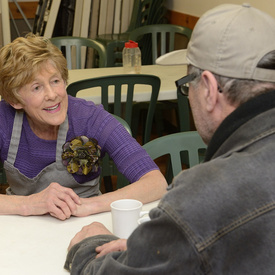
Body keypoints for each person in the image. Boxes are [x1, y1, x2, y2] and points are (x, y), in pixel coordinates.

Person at [65, 4, 275, 274]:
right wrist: (159, 244)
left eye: (189, 84)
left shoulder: (202, 196)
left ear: (209, 89)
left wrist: (89, 245)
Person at [0, 34, 167, 221]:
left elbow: (156, 183)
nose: (52, 95)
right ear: (14, 100)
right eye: (37, 87)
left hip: (84, 223)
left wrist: (89, 205)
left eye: (55, 81)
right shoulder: (3, 120)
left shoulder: (90, 118)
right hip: (21, 227)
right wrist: (28, 204)